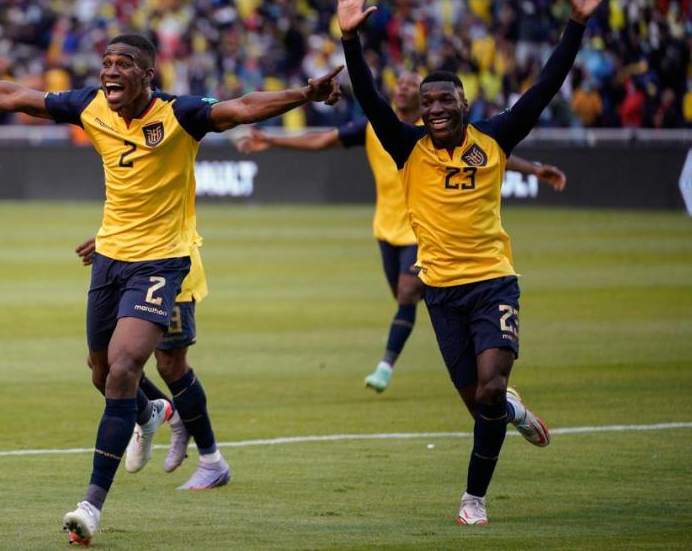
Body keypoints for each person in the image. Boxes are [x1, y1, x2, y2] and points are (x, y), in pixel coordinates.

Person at [0, 35, 342, 546]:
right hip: (109, 259)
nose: (111, 70)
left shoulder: (180, 115)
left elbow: (242, 108)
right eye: (106, 62)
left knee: (127, 367)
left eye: (123, 63)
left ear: (148, 75)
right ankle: (151, 413)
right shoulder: (91, 106)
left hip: (162, 263)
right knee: (100, 374)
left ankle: (90, 507)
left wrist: (305, 95)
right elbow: (14, 96)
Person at [336, 0, 610, 525]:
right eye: (428, 102)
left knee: (490, 385)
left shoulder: (495, 137)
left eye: (446, 100)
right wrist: (349, 39)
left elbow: (544, 88)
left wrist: (576, 25)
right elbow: (367, 96)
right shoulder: (407, 146)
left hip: (492, 283)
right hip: (440, 292)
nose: (434, 108)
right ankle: (509, 410)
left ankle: (473, 499)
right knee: (480, 404)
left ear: (464, 103)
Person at [237, 76, 567, 393]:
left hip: (422, 232)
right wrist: (271, 139)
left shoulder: (436, 133)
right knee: (404, 299)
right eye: (400, 84)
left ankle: (387, 364)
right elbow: (323, 140)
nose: (403, 88)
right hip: (385, 229)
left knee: (409, 293)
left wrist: (534, 168)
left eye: (411, 84)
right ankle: (468, 334)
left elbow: (487, 154)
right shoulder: (377, 130)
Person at [75, 223, 228, 492]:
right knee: (106, 361)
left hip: (169, 263)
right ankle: (169, 415)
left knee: (171, 364)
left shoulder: (177, 182)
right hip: (131, 259)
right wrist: (113, 238)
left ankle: (211, 461)